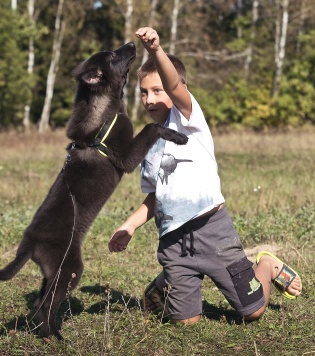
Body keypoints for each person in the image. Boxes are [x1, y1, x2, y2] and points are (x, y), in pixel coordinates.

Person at [108, 27, 302, 324]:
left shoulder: (188, 119)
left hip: (213, 232)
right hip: (173, 240)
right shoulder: (147, 143)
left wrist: (156, 51)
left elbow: (175, 87)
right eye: (144, 93)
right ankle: (169, 280)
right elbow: (155, 196)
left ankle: (266, 267)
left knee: (253, 311)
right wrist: (130, 225)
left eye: (157, 91)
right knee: (185, 323)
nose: (149, 99)